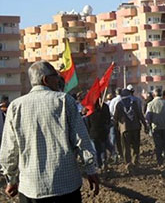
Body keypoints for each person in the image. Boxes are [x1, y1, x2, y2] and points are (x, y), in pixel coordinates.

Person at [0, 61, 99, 201]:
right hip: (66, 187)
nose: (59, 79)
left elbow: (9, 150)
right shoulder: (65, 101)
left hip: (31, 188)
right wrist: (91, 169)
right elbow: (81, 139)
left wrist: (11, 179)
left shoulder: (16, 107)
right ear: (45, 80)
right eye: (55, 76)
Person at [113, 89, 148, 172]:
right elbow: (140, 115)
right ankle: (135, 161)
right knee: (136, 146)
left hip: (125, 129)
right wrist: (145, 125)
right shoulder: (134, 103)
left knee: (126, 147)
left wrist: (115, 127)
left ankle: (128, 162)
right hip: (136, 128)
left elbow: (115, 118)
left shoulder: (119, 104)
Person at [145, 89, 165, 166]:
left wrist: (148, 126)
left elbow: (148, 117)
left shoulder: (150, 104)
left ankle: (160, 161)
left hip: (156, 127)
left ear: (154, 95)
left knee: (158, 145)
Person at [87, 97, 111, 170]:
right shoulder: (104, 107)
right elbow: (108, 119)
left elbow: (88, 122)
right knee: (102, 149)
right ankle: (103, 162)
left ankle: (99, 165)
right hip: (102, 132)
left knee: (96, 150)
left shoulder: (90, 109)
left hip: (94, 133)